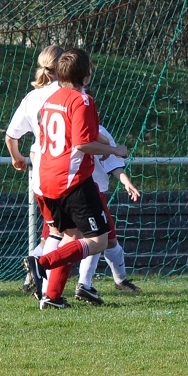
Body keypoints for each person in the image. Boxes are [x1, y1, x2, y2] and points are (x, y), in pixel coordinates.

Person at [24, 47, 129, 309]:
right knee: (98, 240)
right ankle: (41, 263)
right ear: (86, 76)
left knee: (70, 236)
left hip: (45, 178)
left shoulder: (50, 99)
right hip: (71, 181)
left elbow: (83, 133)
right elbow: (83, 144)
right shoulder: (82, 100)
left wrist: (105, 142)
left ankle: (53, 297)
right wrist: (115, 150)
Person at [5, 45, 64, 297]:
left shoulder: (31, 97)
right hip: (62, 169)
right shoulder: (67, 93)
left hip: (40, 174)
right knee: (70, 233)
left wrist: (17, 158)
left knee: (54, 230)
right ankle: (43, 273)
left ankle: (39, 270)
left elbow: (11, 136)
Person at [73, 124, 143, 305]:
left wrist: (127, 183)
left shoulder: (100, 132)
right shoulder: (69, 127)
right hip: (74, 191)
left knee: (108, 239)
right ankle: (80, 284)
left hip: (92, 193)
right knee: (92, 237)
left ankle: (120, 280)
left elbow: (113, 164)